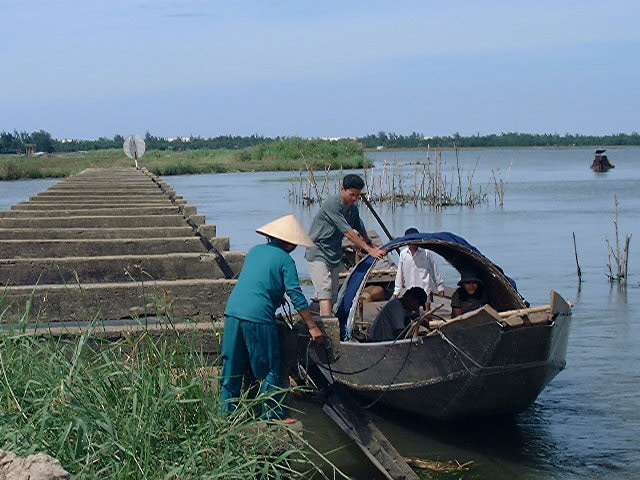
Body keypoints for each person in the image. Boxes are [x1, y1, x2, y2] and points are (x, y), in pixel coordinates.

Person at [219, 215, 324, 423]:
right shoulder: (286, 259)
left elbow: (256, 281)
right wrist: (312, 326)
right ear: (288, 242)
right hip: (257, 317)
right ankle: (273, 414)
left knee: (231, 366)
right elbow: (296, 295)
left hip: (232, 312)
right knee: (269, 367)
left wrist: (276, 294)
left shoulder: (255, 251)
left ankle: (226, 417)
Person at [305, 174, 386, 316]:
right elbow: (349, 233)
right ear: (342, 189)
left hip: (334, 253)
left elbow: (358, 226)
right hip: (318, 251)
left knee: (334, 294)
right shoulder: (333, 204)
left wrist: (369, 243)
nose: (354, 198)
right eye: (352, 195)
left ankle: (330, 319)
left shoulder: (353, 209)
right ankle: (328, 326)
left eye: (358, 195)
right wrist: (368, 250)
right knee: (325, 291)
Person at [393, 227, 444, 309]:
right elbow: (400, 273)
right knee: (412, 312)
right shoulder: (403, 254)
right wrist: (397, 290)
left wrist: (440, 286)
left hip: (425, 289)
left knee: (426, 312)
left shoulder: (426, 253)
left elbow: (434, 270)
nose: (413, 242)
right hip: (410, 290)